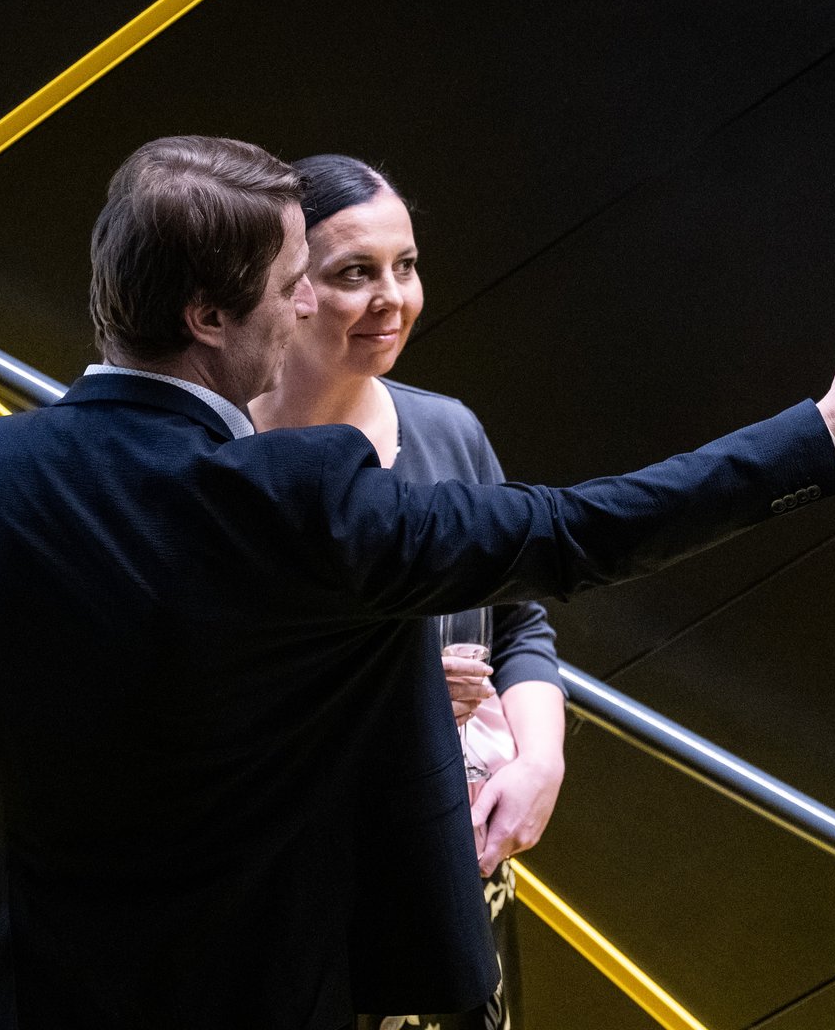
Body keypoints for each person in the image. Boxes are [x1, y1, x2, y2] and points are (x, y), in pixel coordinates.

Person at [0, 135, 835, 1030]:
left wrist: (20, 811)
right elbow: (578, 530)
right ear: (208, 316)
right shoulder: (303, 492)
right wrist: (834, 430)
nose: (310, 305)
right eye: (293, 284)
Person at [248, 154, 551, 1030]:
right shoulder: (219, 454)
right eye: (355, 273)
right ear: (286, 289)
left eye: (405, 267)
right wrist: (401, 695)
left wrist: (539, 762)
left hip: (456, 861)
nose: (393, 298)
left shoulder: (447, 429)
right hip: (292, 887)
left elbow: (519, 619)